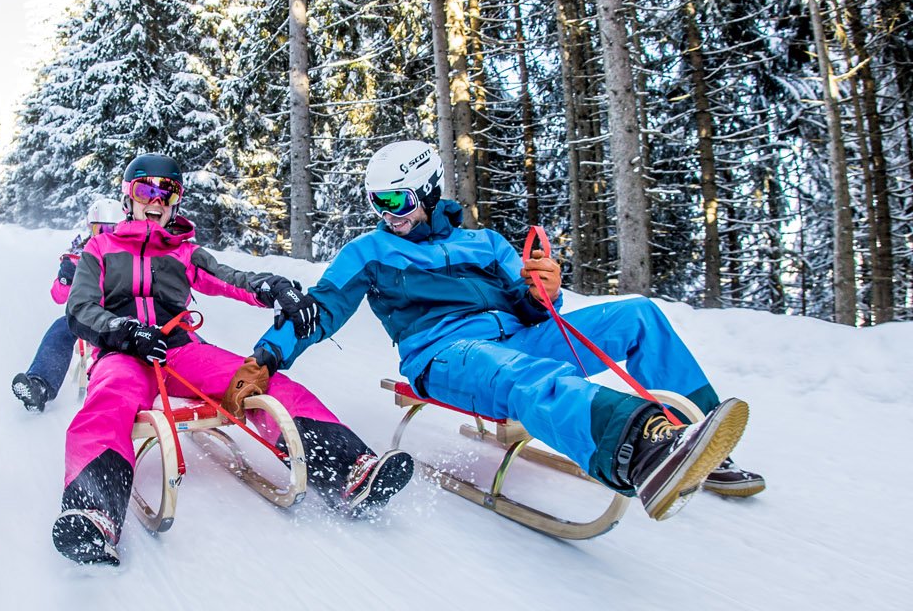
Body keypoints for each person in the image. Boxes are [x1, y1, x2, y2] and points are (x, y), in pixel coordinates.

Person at [227, 140, 765, 523]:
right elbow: (319, 309)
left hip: (518, 336)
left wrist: (544, 294)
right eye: (378, 204)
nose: (387, 216)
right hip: (445, 352)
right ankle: (639, 452)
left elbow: (532, 312)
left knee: (638, 317)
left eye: (396, 202)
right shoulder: (370, 251)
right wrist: (266, 357)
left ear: (429, 191)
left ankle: (698, 437)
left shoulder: (486, 244)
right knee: (519, 373)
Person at [52, 153, 414, 566]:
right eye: (146, 189)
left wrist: (273, 287)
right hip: (124, 350)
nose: (156, 199)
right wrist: (124, 331)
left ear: (176, 201)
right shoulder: (100, 247)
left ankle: (350, 467)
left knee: (259, 381)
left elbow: (231, 278)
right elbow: (79, 310)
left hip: (180, 350)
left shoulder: (184, 253)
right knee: (109, 398)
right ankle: (93, 511)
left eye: (167, 191)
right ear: (128, 196)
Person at [11, 198, 125, 412]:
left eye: (113, 229)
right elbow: (58, 296)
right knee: (61, 328)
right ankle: (40, 385)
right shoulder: (80, 255)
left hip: (123, 316)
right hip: (89, 316)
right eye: (101, 229)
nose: (107, 235)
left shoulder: (129, 254)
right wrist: (65, 278)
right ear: (92, 228)